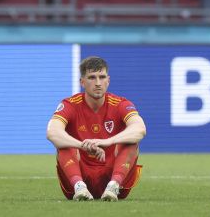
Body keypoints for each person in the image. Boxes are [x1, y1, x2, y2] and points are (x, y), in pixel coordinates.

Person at [47, 56, 146, 201]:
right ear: (82, 82)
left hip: (114, 177)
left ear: (108, 80)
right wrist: (83, 145)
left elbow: (140, 128)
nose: (98, 83)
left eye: (102, 77)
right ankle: (79, 186)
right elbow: (52, 132)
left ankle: (113, 185)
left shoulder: (120, 104)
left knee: (132, 142)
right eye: (92, 77)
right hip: (78, 178)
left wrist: (109, 141)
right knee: (63, 144)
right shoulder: (70, 104)